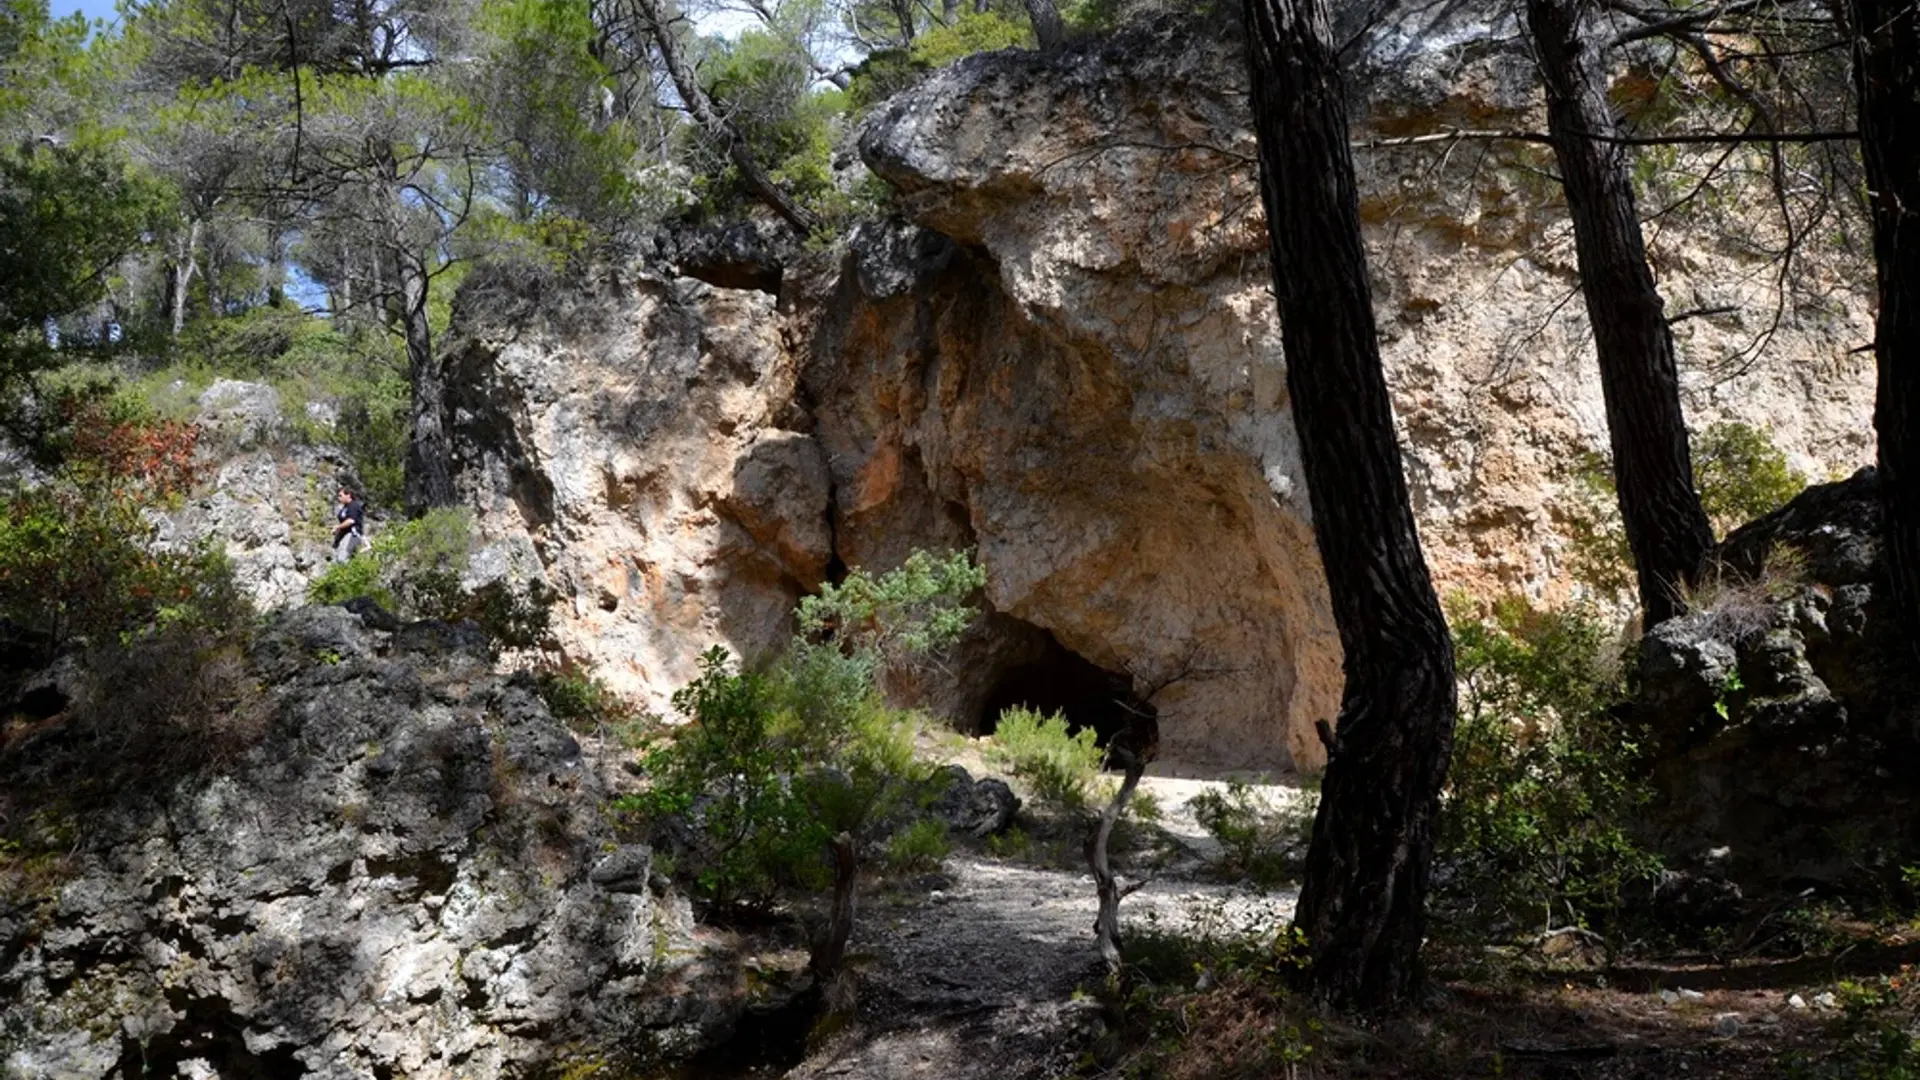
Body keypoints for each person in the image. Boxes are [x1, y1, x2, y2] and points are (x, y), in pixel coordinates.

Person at [332, 486, 367, 563]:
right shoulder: (345, 507)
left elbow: (351, 521)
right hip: (343, 535)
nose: (339, 498)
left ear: (348, 495)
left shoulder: (353, 505)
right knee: (335, 558)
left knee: (342, 558)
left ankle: (344, 574)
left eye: (340, 495)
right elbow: (343, 521)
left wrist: (338, 527)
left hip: (352, 535)